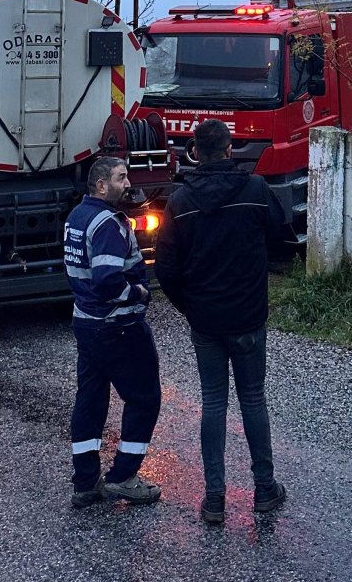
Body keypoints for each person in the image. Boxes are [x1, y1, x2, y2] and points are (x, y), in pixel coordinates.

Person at [156, 119, 289, 524]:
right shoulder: (255, 190)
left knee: (213, 403)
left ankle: (215, 498)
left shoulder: (180, 202)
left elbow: (165, 268)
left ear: (195, 152)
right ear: (229, 149)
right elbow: (282, 238)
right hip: (248, 317)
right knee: (253, 400)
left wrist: (190, 306)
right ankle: (264, 488)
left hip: (207, 321)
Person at [64, 156, 163, 509]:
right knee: (144, 397)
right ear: (101, 185)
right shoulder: (107, 223)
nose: (128, 184)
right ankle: (123, 477)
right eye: (121, 178)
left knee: (90, 401)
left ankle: (86, 482)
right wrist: (137, 293)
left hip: (86, 323)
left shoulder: (78, 216)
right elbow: (108, 279)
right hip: (118, 326)